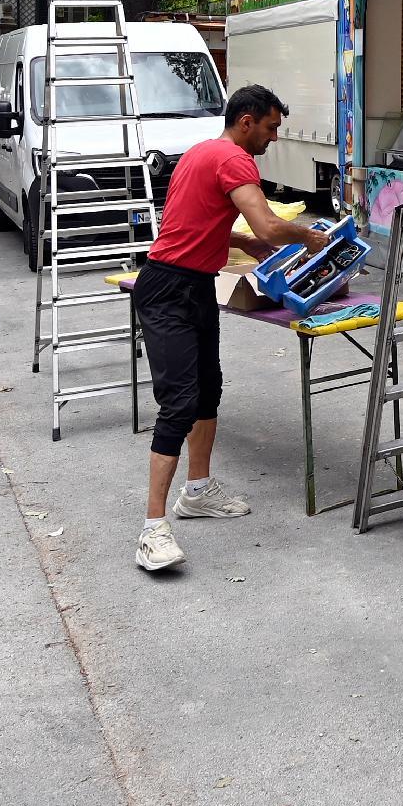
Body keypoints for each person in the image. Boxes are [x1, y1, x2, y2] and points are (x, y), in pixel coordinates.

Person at [130, 83, 330, 575]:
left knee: (207, 393)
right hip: (168, 290)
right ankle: (151, 531)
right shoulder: (236, 160)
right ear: (247, 121)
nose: (274, 138)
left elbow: (202, 221)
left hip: (193, 285)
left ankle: (197, 492)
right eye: (271, 127)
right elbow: (267, 225)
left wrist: (248, 244)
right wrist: (307, 235)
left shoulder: (202, 152)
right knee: (178, 404)